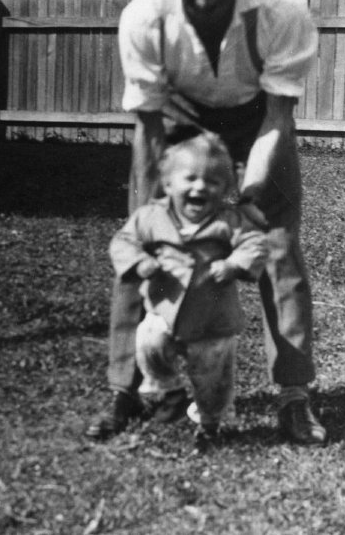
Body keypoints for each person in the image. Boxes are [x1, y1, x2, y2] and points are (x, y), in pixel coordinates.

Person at [86, 0, 327, 445]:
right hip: (178, 117)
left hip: (256, 117)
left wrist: (248, 203)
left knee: (279, 247)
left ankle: (293, 396)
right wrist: (152, 213)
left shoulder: (282, 9)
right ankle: (129, 390)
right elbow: (148, 127)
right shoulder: (144, 17)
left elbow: (276, 117)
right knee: (140, 239)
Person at [109, 132, 267, 450]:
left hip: (212, 320)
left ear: (224, 189)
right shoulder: (152, 216)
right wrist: (140, 262)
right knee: (148, 343)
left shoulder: (228, 221)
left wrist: (235, 263)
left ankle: (210, 425)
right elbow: (122, 241)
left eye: (211, 182)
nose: (200, 187)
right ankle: (169, 390)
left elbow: (256, 243)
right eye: (190, 178)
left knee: (214, 380)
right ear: (168, 185)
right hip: (164, 309)